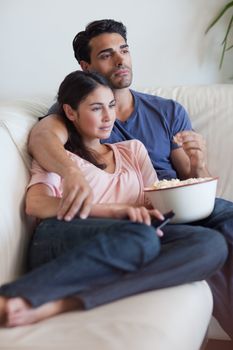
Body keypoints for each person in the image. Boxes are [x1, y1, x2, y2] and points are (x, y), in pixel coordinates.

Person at [27, 20, 233, 338]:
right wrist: (71, 174)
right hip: (127, 217)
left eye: (124, 50)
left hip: (166, 203)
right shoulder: (74, 116)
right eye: (107, 55)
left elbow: (191, 180)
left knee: (221, 222)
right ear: (87, 66)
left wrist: (199, 163)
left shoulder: (165, 112)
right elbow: (42, 139)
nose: (121, 60)